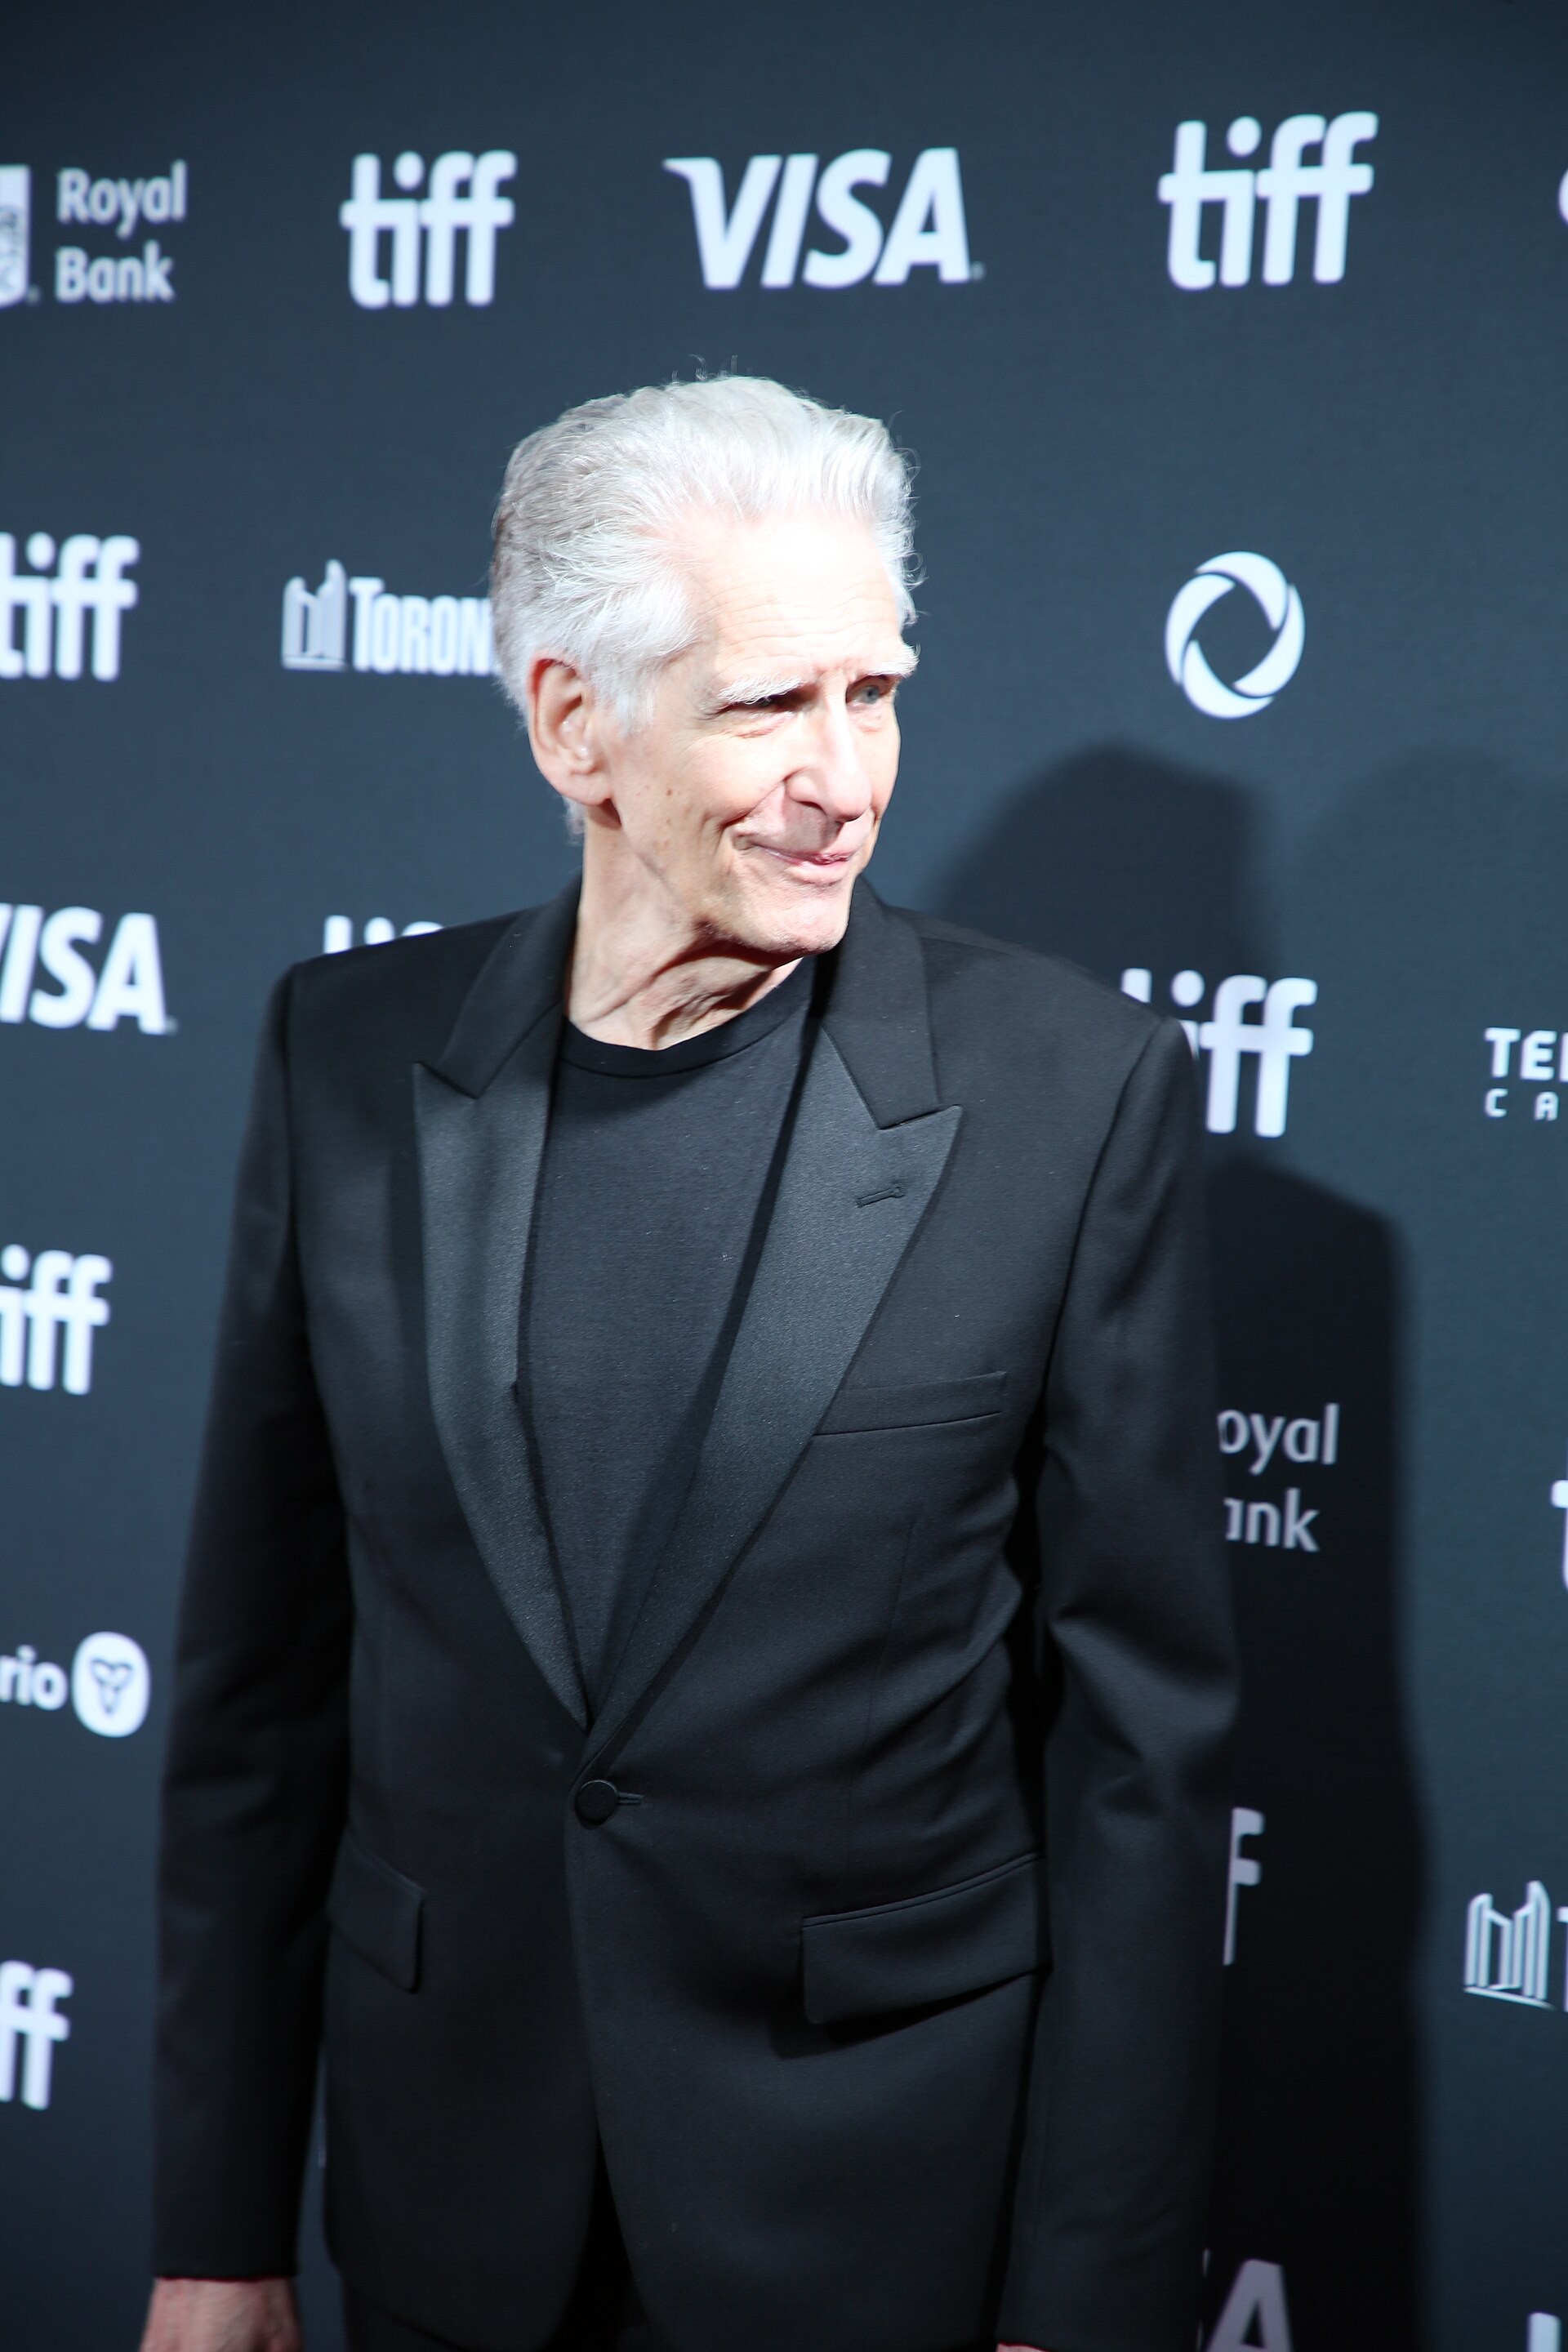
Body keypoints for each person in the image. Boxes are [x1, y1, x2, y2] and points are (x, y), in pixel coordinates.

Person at [141, 376, 1235, 2352]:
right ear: (576, 723)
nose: (848, 776)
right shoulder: (345, 1058)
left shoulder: (1071, 1094)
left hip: (878, 2223)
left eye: (876, 692)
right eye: (767, 706)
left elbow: (1140, 1767)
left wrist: (1082, 2300)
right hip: (446, 2211)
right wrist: (218, 2233)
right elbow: (257, 1696)